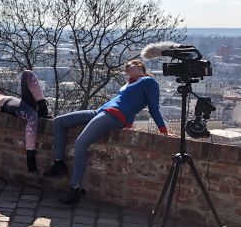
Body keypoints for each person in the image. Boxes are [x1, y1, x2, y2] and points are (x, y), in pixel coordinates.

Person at [43, 59, 168, 205]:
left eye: (129, 65)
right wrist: (129, 124)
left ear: (140, 66)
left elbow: (153, 108)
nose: (126, 68)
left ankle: (74, 188)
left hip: (113, 115)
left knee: (80, 144)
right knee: (59, 122)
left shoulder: (149, 82)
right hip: (100, 112)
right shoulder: (129, 83)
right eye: (125, 67)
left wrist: (163, 130)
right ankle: (59, 163)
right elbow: (131, 103)